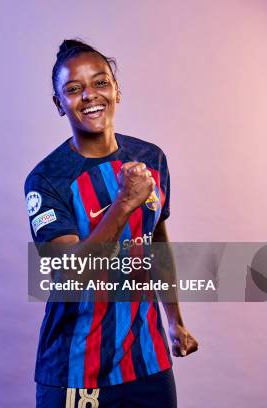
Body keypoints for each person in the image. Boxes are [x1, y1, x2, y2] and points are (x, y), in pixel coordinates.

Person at [24, 39, 198, 407]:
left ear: (117, 90)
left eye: (100, 82)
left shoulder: (151, 157)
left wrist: (174, 319)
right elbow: (69, 275)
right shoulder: (46, 179)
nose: (89, 95)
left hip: (148, 361)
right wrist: (123, 204)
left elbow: (156, 243)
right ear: (59, 104)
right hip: (76, 367)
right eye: (73, 89)